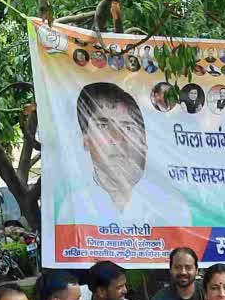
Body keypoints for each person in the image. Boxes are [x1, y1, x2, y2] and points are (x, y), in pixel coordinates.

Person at [64, 82, 186, 227]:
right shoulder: (73, 208)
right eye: (103, 126)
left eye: (128, 127)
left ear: (145, 141)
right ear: (86, 140)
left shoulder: (174, 207)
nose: (117, 139)